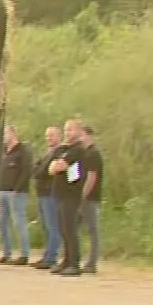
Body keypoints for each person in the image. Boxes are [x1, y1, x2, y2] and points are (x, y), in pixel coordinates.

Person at [47, 118, 99, 278]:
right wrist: (56, 165)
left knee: (70, 230)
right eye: (66, 130)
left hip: (72, 194)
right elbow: (51, 168)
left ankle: (74, 263)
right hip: (60, 193)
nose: (67, 133)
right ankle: (66, 260)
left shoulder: (78, 150)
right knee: (63, 229)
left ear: (78, 131)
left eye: (70, 129)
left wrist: (57, 166)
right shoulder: (64, 149)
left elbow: (60, 166)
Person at [0, 124, 34, 264]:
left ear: (13, 133)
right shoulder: (4, 151)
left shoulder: (23, 150)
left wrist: (18, 188)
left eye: (5, 133)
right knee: (2, 223)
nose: (4, 137)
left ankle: (24, 254)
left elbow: (27, 170)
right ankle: (7, 253)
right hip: (1, 191)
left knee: (19, 222)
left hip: (17, 192)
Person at [32, 124, 64, 269]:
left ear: (59, 136)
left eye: (51, 135)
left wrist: (41, 169)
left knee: (53, 226)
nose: (48, 138)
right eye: (47, 136)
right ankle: (47, 255)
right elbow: (35, 170)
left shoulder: (60, 152)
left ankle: (52, 257)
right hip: (42, 193)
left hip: (51, 193)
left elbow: (43, 171)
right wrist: (40, 169)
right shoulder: (47, 153)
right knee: (46, 226)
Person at [76, 123, 104, 274]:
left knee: (92, 230)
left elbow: (91, 177)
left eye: (81, 135)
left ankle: (92, 263)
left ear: (88, 135)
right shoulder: (83, 153)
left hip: (90, 198)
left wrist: (82, 195)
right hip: (81, 197)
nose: (79, 138)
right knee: (75, 228)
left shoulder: (93, 154)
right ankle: (76, 258)